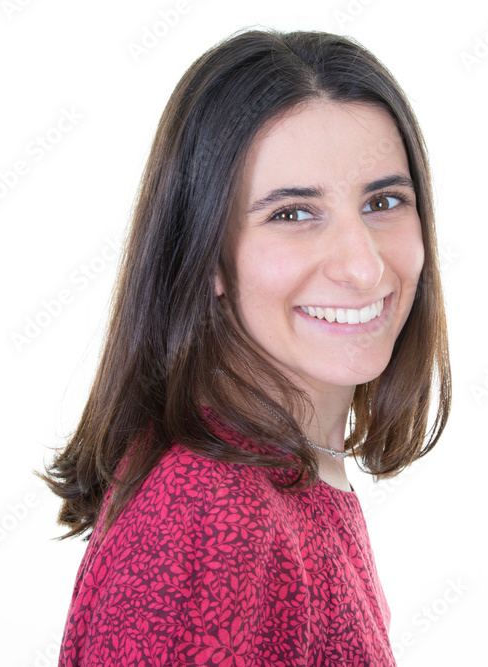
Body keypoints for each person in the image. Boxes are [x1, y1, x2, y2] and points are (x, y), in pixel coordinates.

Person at [39, 27, 451, 666]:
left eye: (384, 201)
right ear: (208, 254)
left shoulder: (283, 476)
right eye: (293, 214)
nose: (364, 266)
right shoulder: (213, 513)